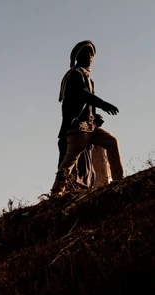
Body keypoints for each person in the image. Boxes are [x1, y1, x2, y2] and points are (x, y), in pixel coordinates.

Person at [51, 40, 124, 196]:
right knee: (69, 162)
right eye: (86, 52)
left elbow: (87, 103)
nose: (90, 56)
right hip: (78, 128)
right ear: (77, 56)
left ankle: (119, 181)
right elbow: (84, 96)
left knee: (112, 142)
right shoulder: (74, 74)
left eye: (92, 53)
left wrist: (96, 115)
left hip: (90, 127)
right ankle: (56, 193)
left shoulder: (88, 79)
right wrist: (104, 104)